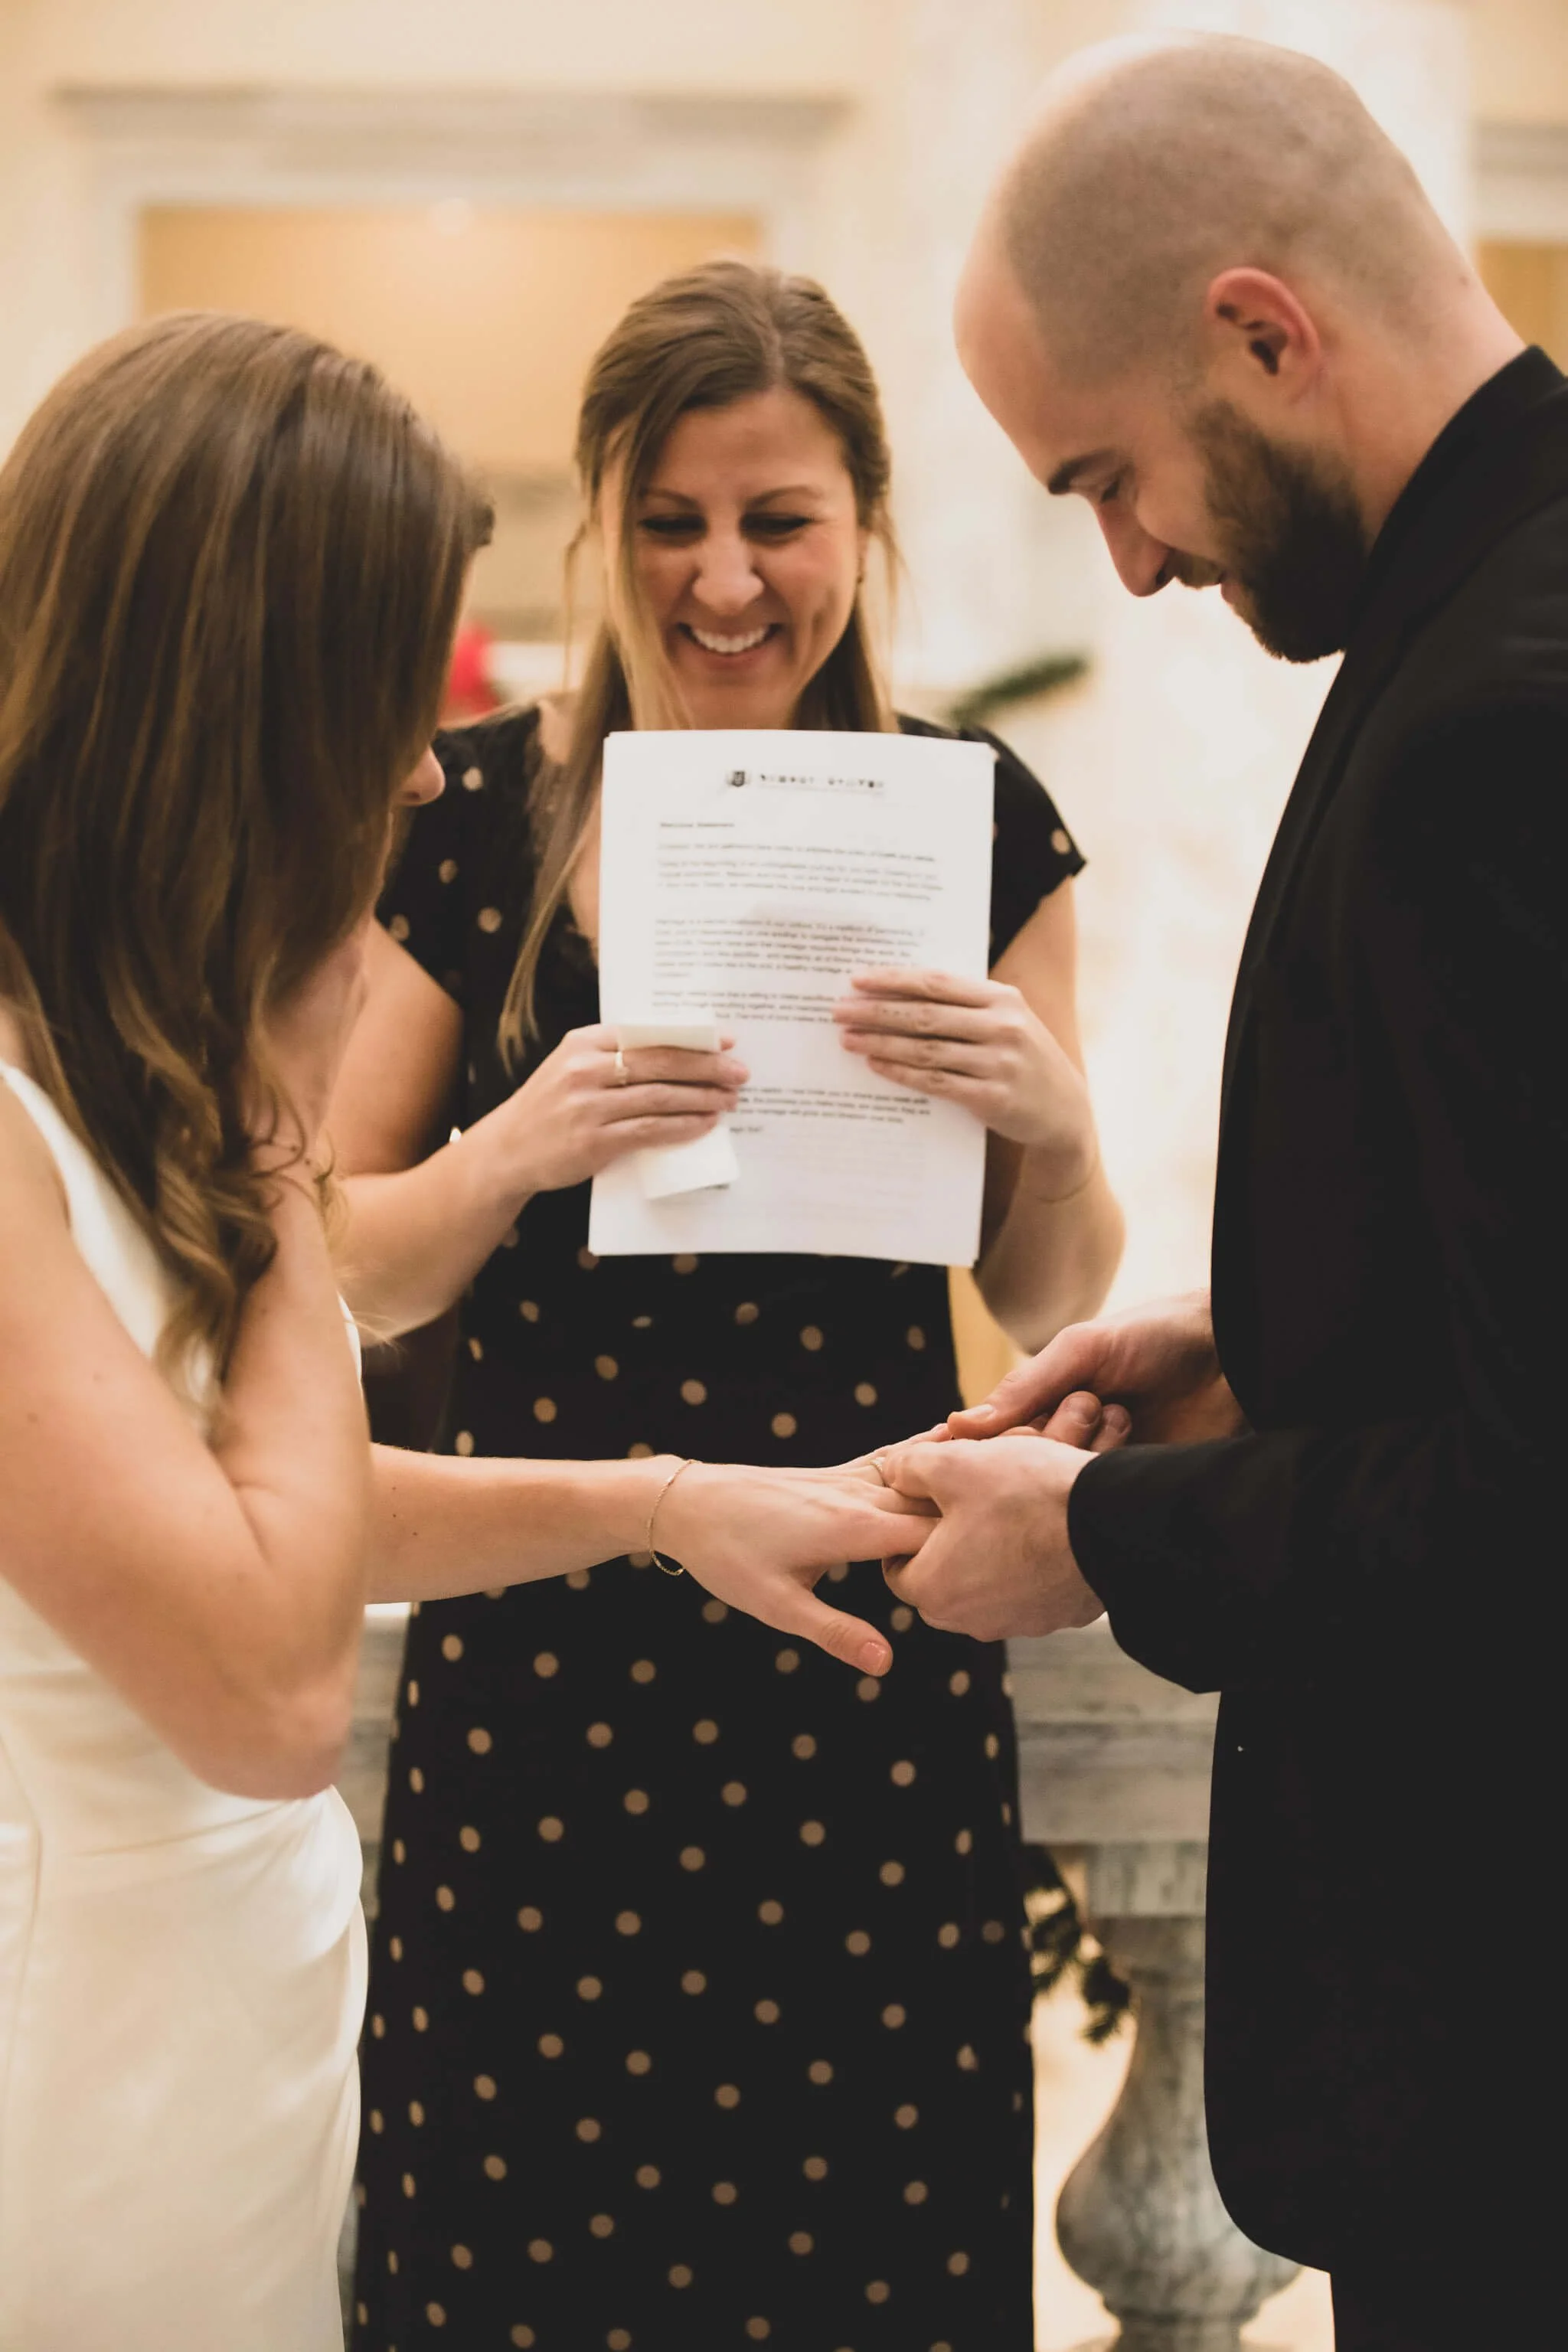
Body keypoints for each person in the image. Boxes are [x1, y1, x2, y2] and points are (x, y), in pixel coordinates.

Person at [0, 311, 929, 2352]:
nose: (426, 768)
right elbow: (265, 1683)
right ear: (242, 702)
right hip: (84, 2083)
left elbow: (256, 1510)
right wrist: (273, 1133)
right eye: (385, 699)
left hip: (239, 2042)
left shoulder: (104, 1055)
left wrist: (665, 1503)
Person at [333, 257, 1122, 2351]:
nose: (725, 579)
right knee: (520, 2256)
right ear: (601, 523)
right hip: (546, 1640)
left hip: (864, 1646)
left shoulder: (976, 819)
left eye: (779, 519)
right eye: (671, 521)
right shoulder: (471, 815)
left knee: (857, 2260)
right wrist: (511, 1153)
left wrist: (1053, 1131)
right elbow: (338, 1249)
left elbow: (1053, 1290)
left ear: (865, 520)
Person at [882, 32, 1563, 2349]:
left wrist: (1099, 1534)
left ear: (1265, 332)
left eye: (1109, 475)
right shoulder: (1503, 603)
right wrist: (1260, 1343)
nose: (1133, 559)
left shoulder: (1499, 721)